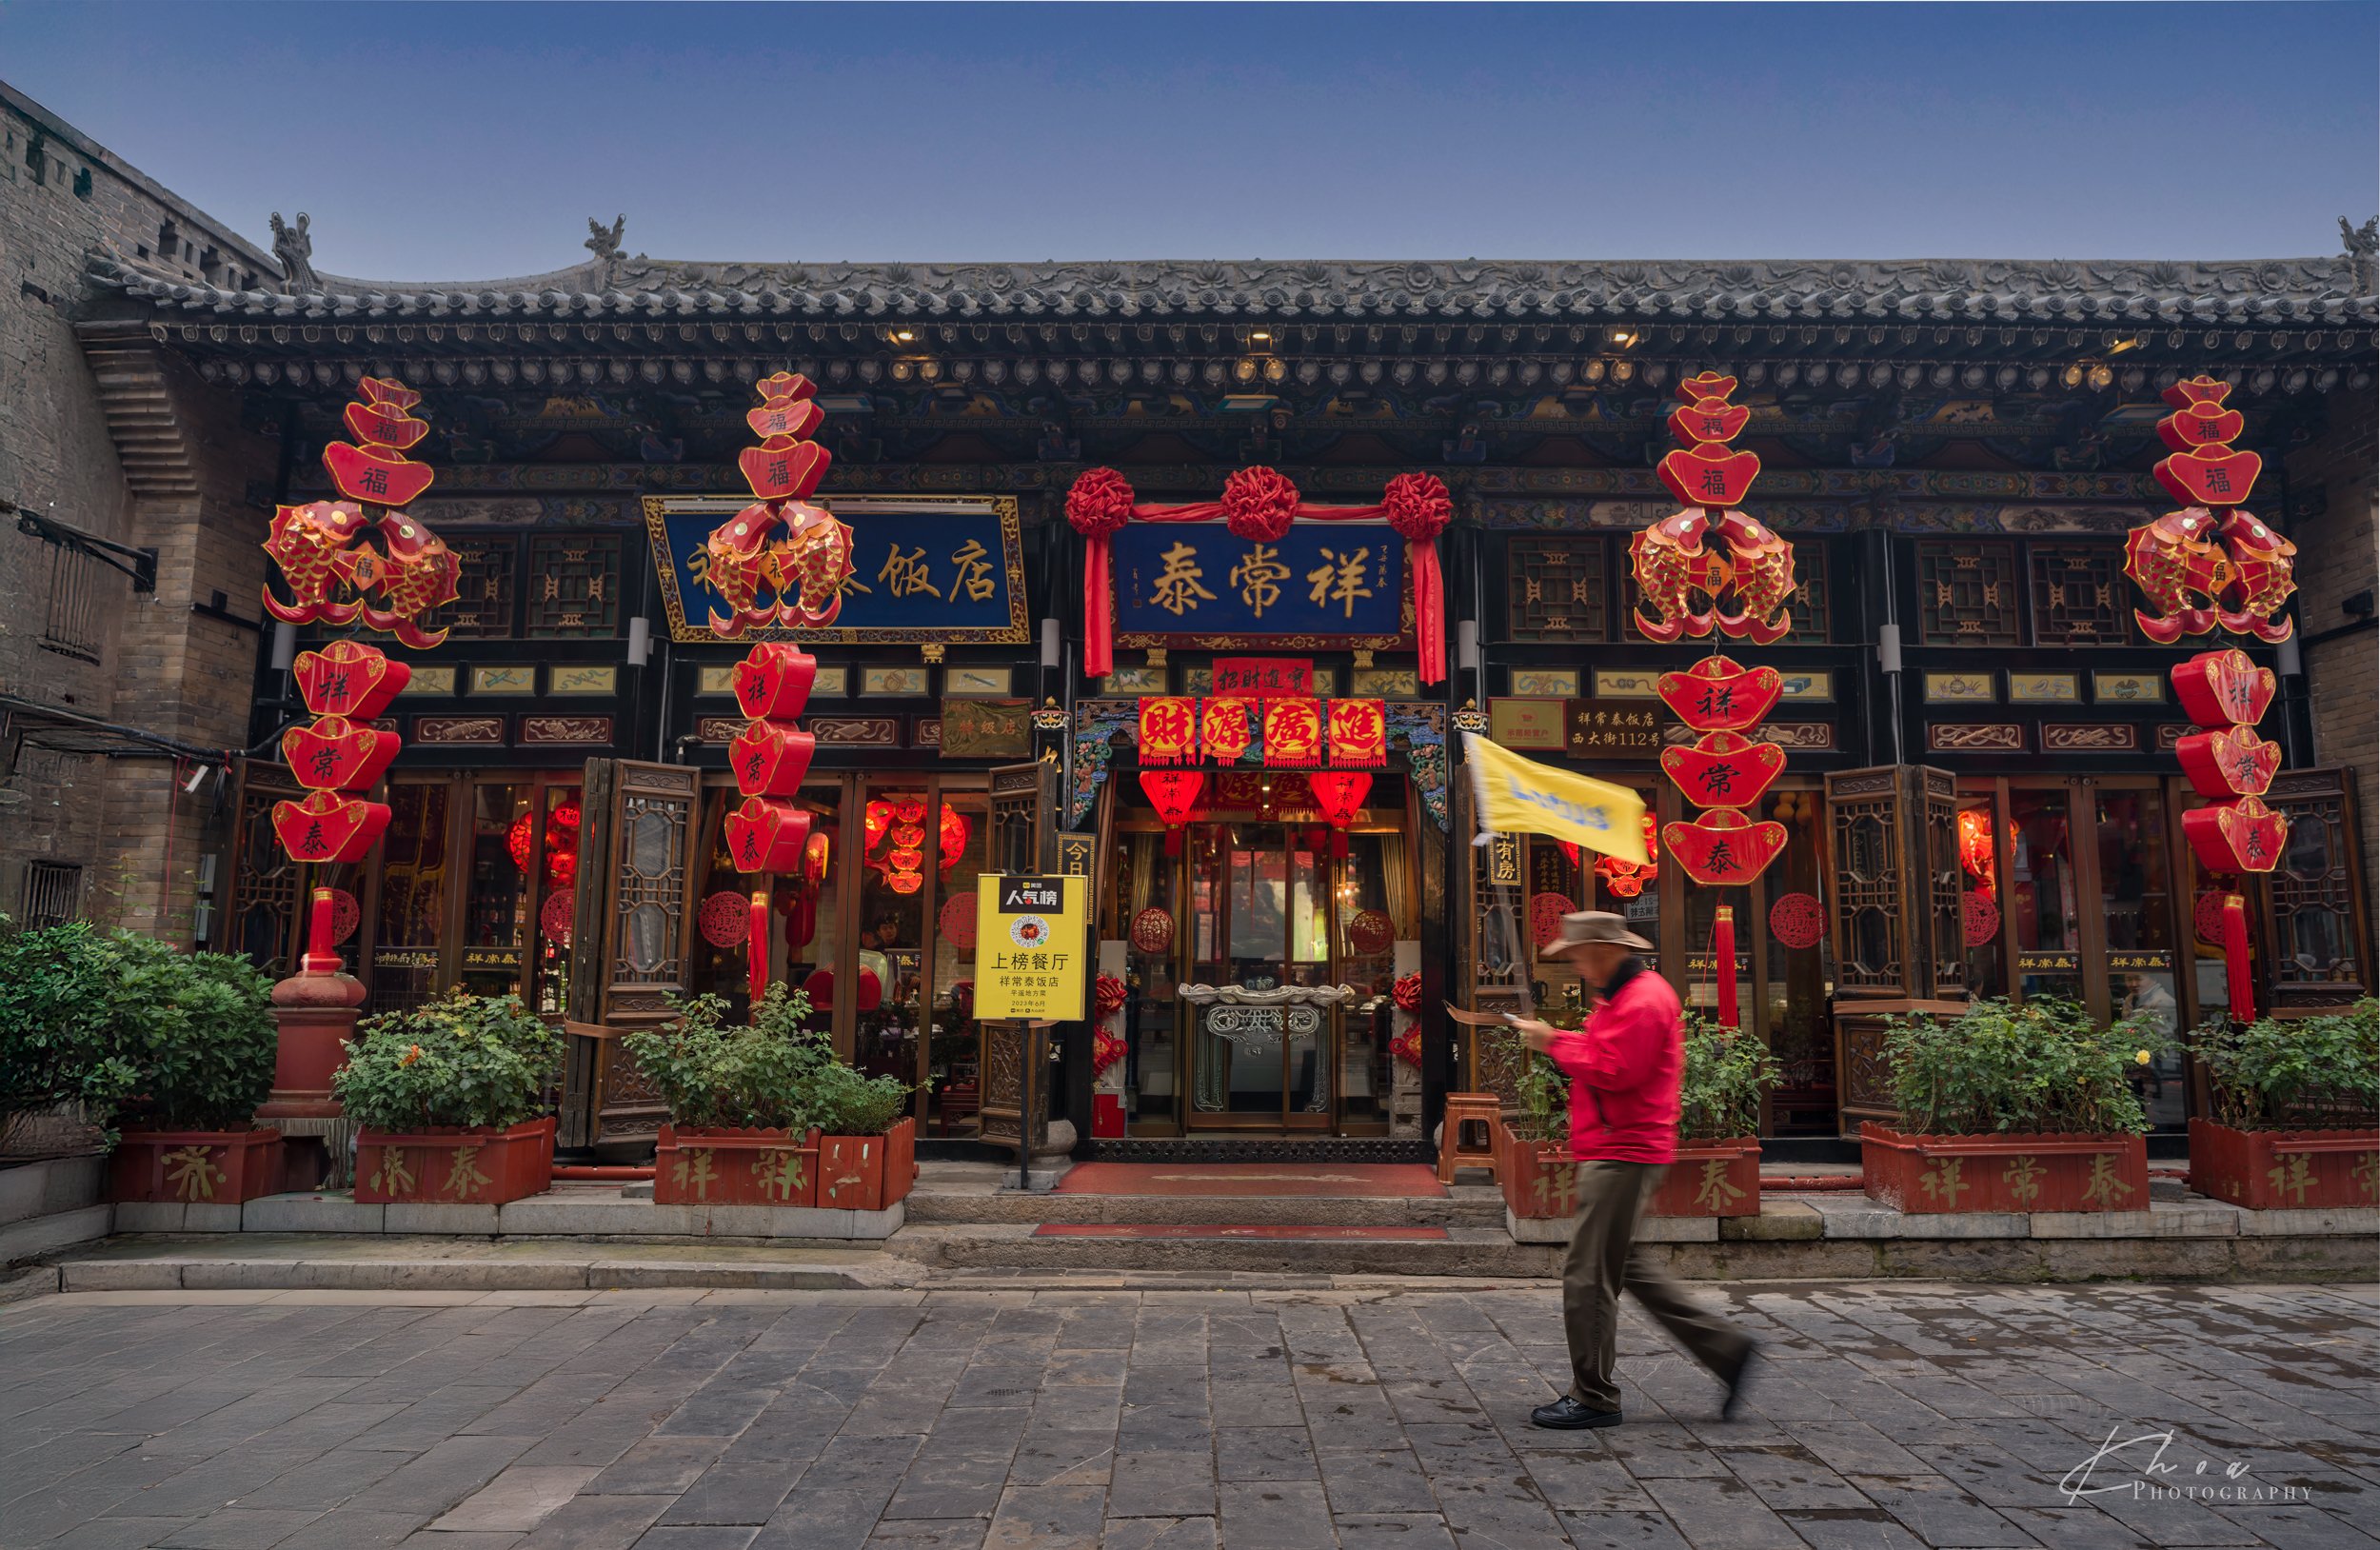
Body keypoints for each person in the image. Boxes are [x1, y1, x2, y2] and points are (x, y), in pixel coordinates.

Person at [1508, 910, 1758, 1430]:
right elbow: (1606, 1056)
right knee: (1627, 1269)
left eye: (1576, 954)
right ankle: (1727, 1349)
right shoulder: (1623, 995)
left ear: (1603, 949)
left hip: (1624, 1148)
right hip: (1617, 1144)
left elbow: (1616, 1069)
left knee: (1589, 1274)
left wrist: (1553, 1041)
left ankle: (1594, 1396)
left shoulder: (1643, 999)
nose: (1575, 963)